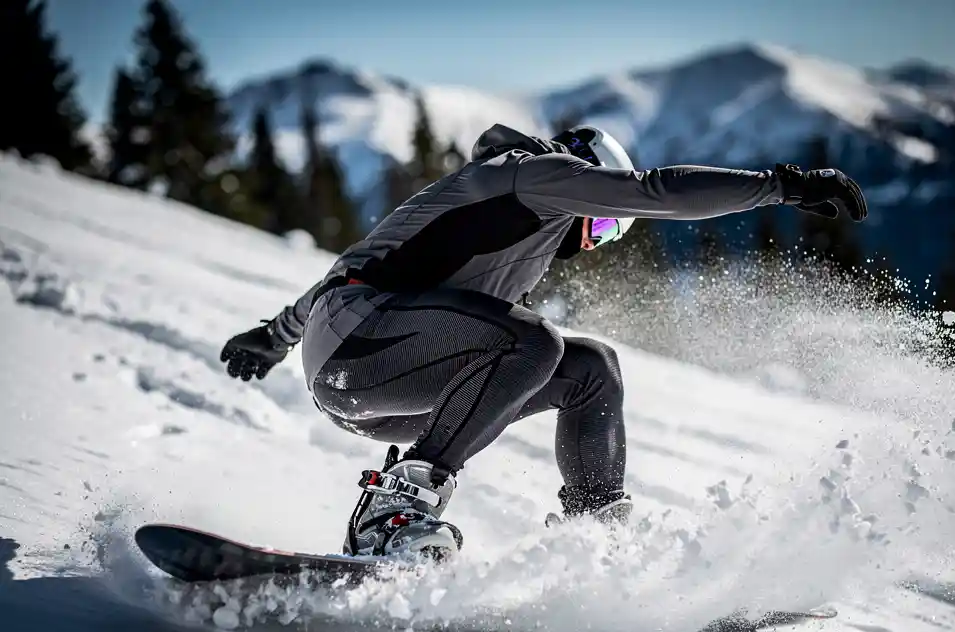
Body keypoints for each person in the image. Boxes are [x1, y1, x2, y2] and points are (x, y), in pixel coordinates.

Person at [219, 123, 868, 561]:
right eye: (606, 221)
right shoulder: (530, 175)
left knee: (592, 369)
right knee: (534, 342)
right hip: (360, 351)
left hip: (380, 376)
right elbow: (655, 193)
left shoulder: (513, 239)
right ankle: (399, 506)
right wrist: (781, 186)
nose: (598, 237)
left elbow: (365, 264)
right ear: (585, 178)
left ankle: (596, 540)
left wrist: (274, 337)